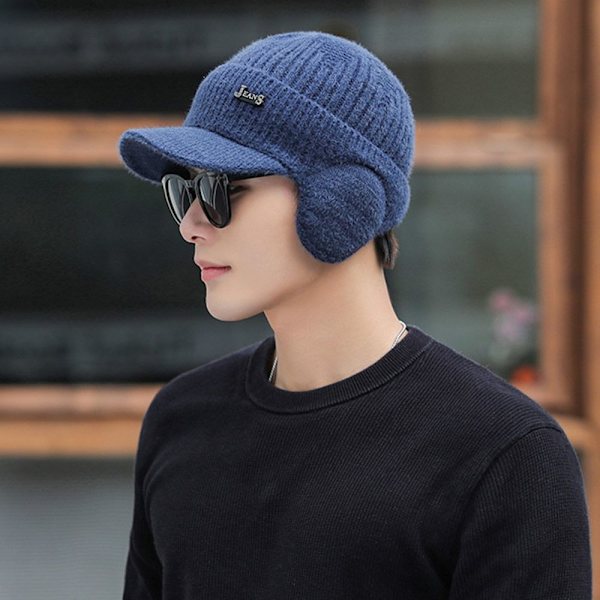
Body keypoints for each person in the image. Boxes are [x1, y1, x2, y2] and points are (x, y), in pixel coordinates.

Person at [117, 30, 592, 599]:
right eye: (184, 190)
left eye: (224, 189)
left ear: (344, 202)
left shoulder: (503, 451)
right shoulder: (181, 419)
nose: (191, 224)